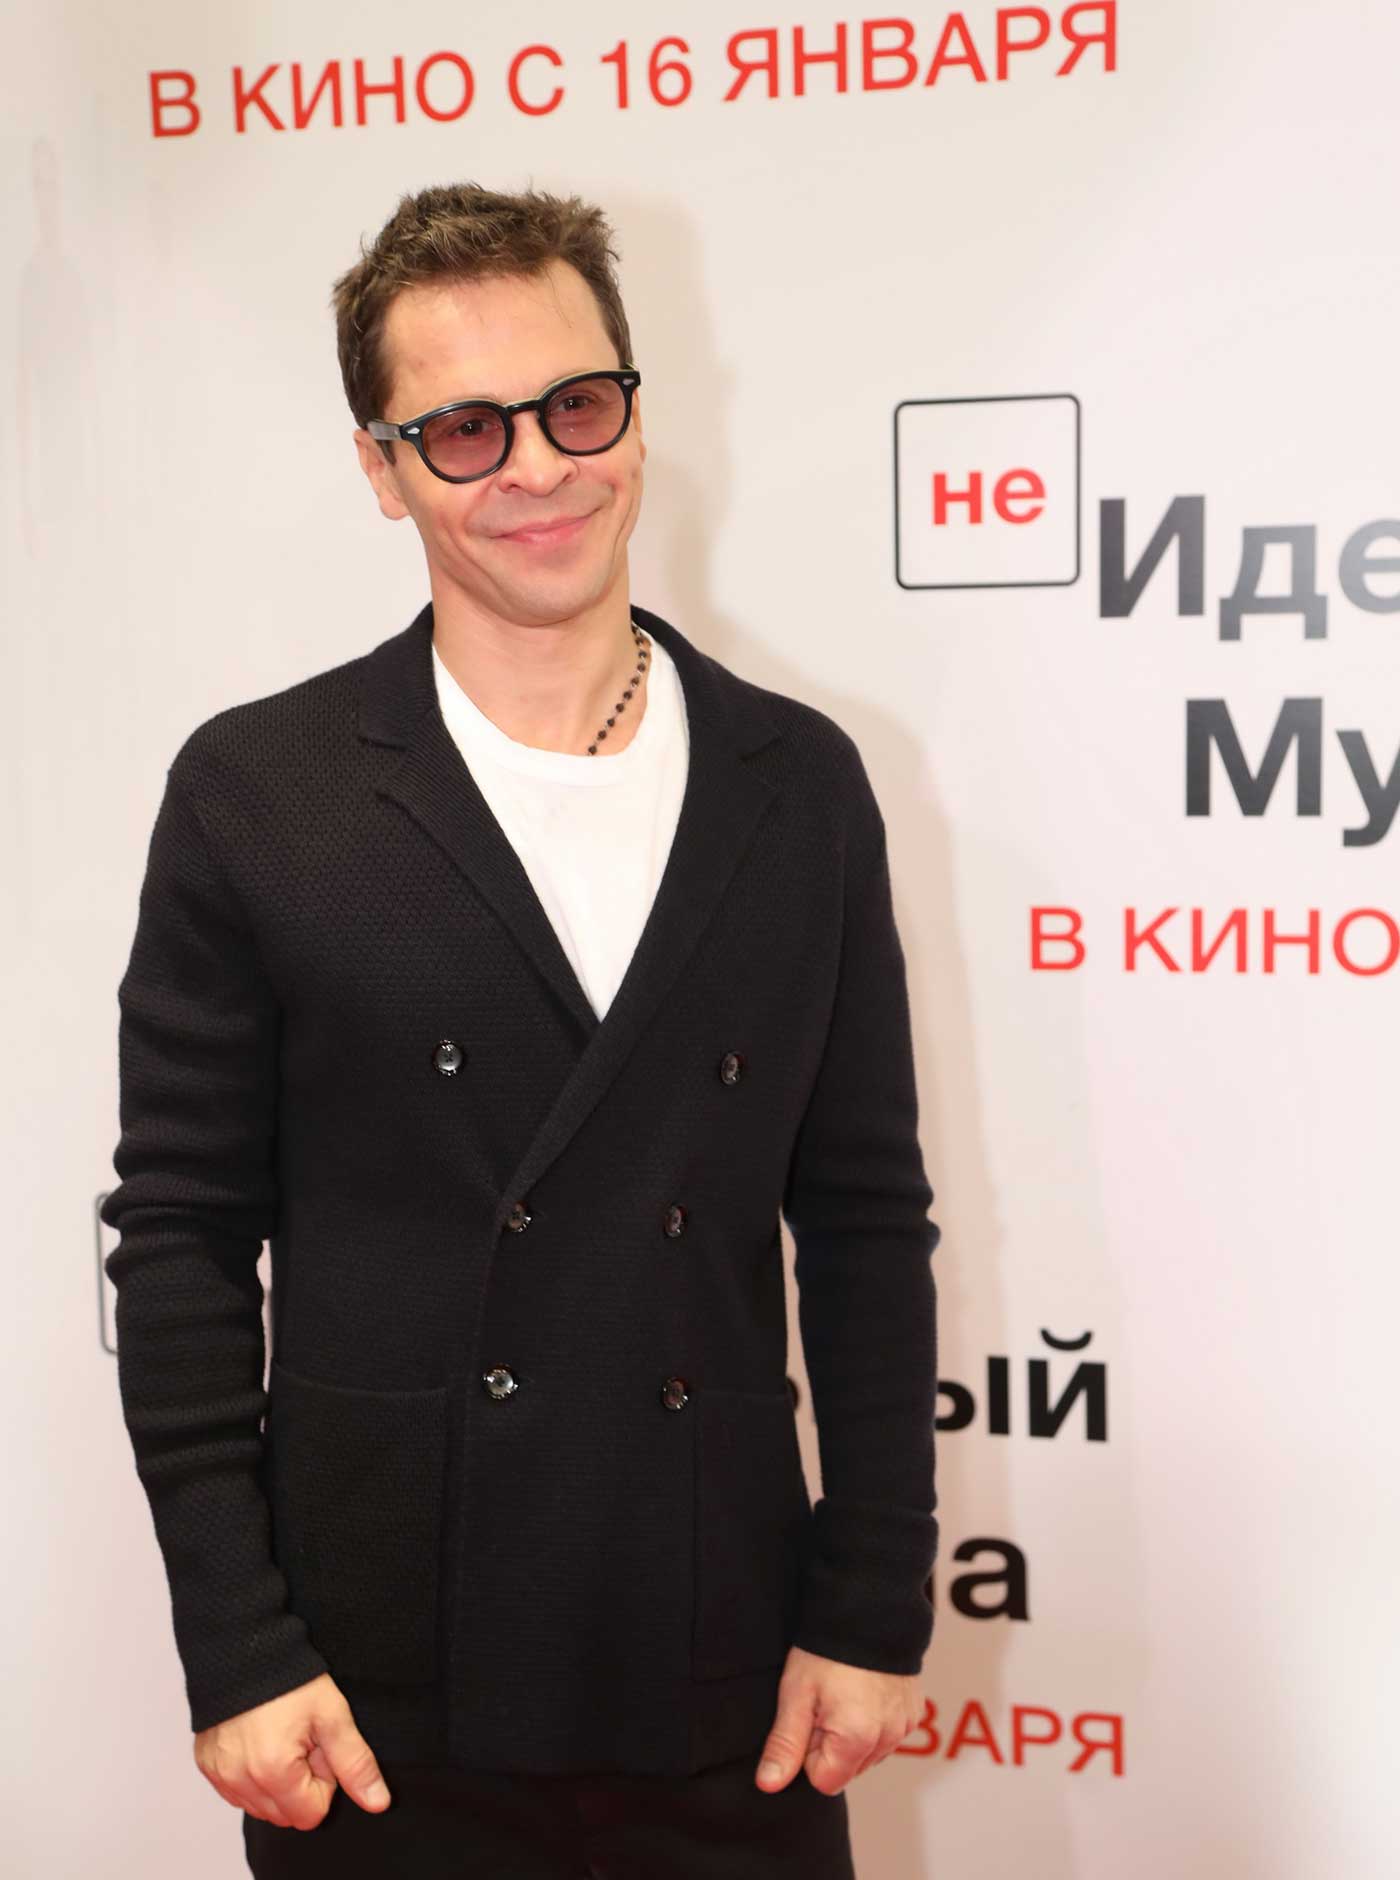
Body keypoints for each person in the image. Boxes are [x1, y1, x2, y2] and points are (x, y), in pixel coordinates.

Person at [100, 180, 941, 1878]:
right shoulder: (260, 792)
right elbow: (181, 1236)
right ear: (383, 468)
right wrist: (238, 1643)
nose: (539, 468)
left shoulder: (797, 784)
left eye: (576, 406)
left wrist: (872, 1598)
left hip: (730, 1670)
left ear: (635, 408)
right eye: (465, 431)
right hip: (377, 1704)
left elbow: (862, 1220)